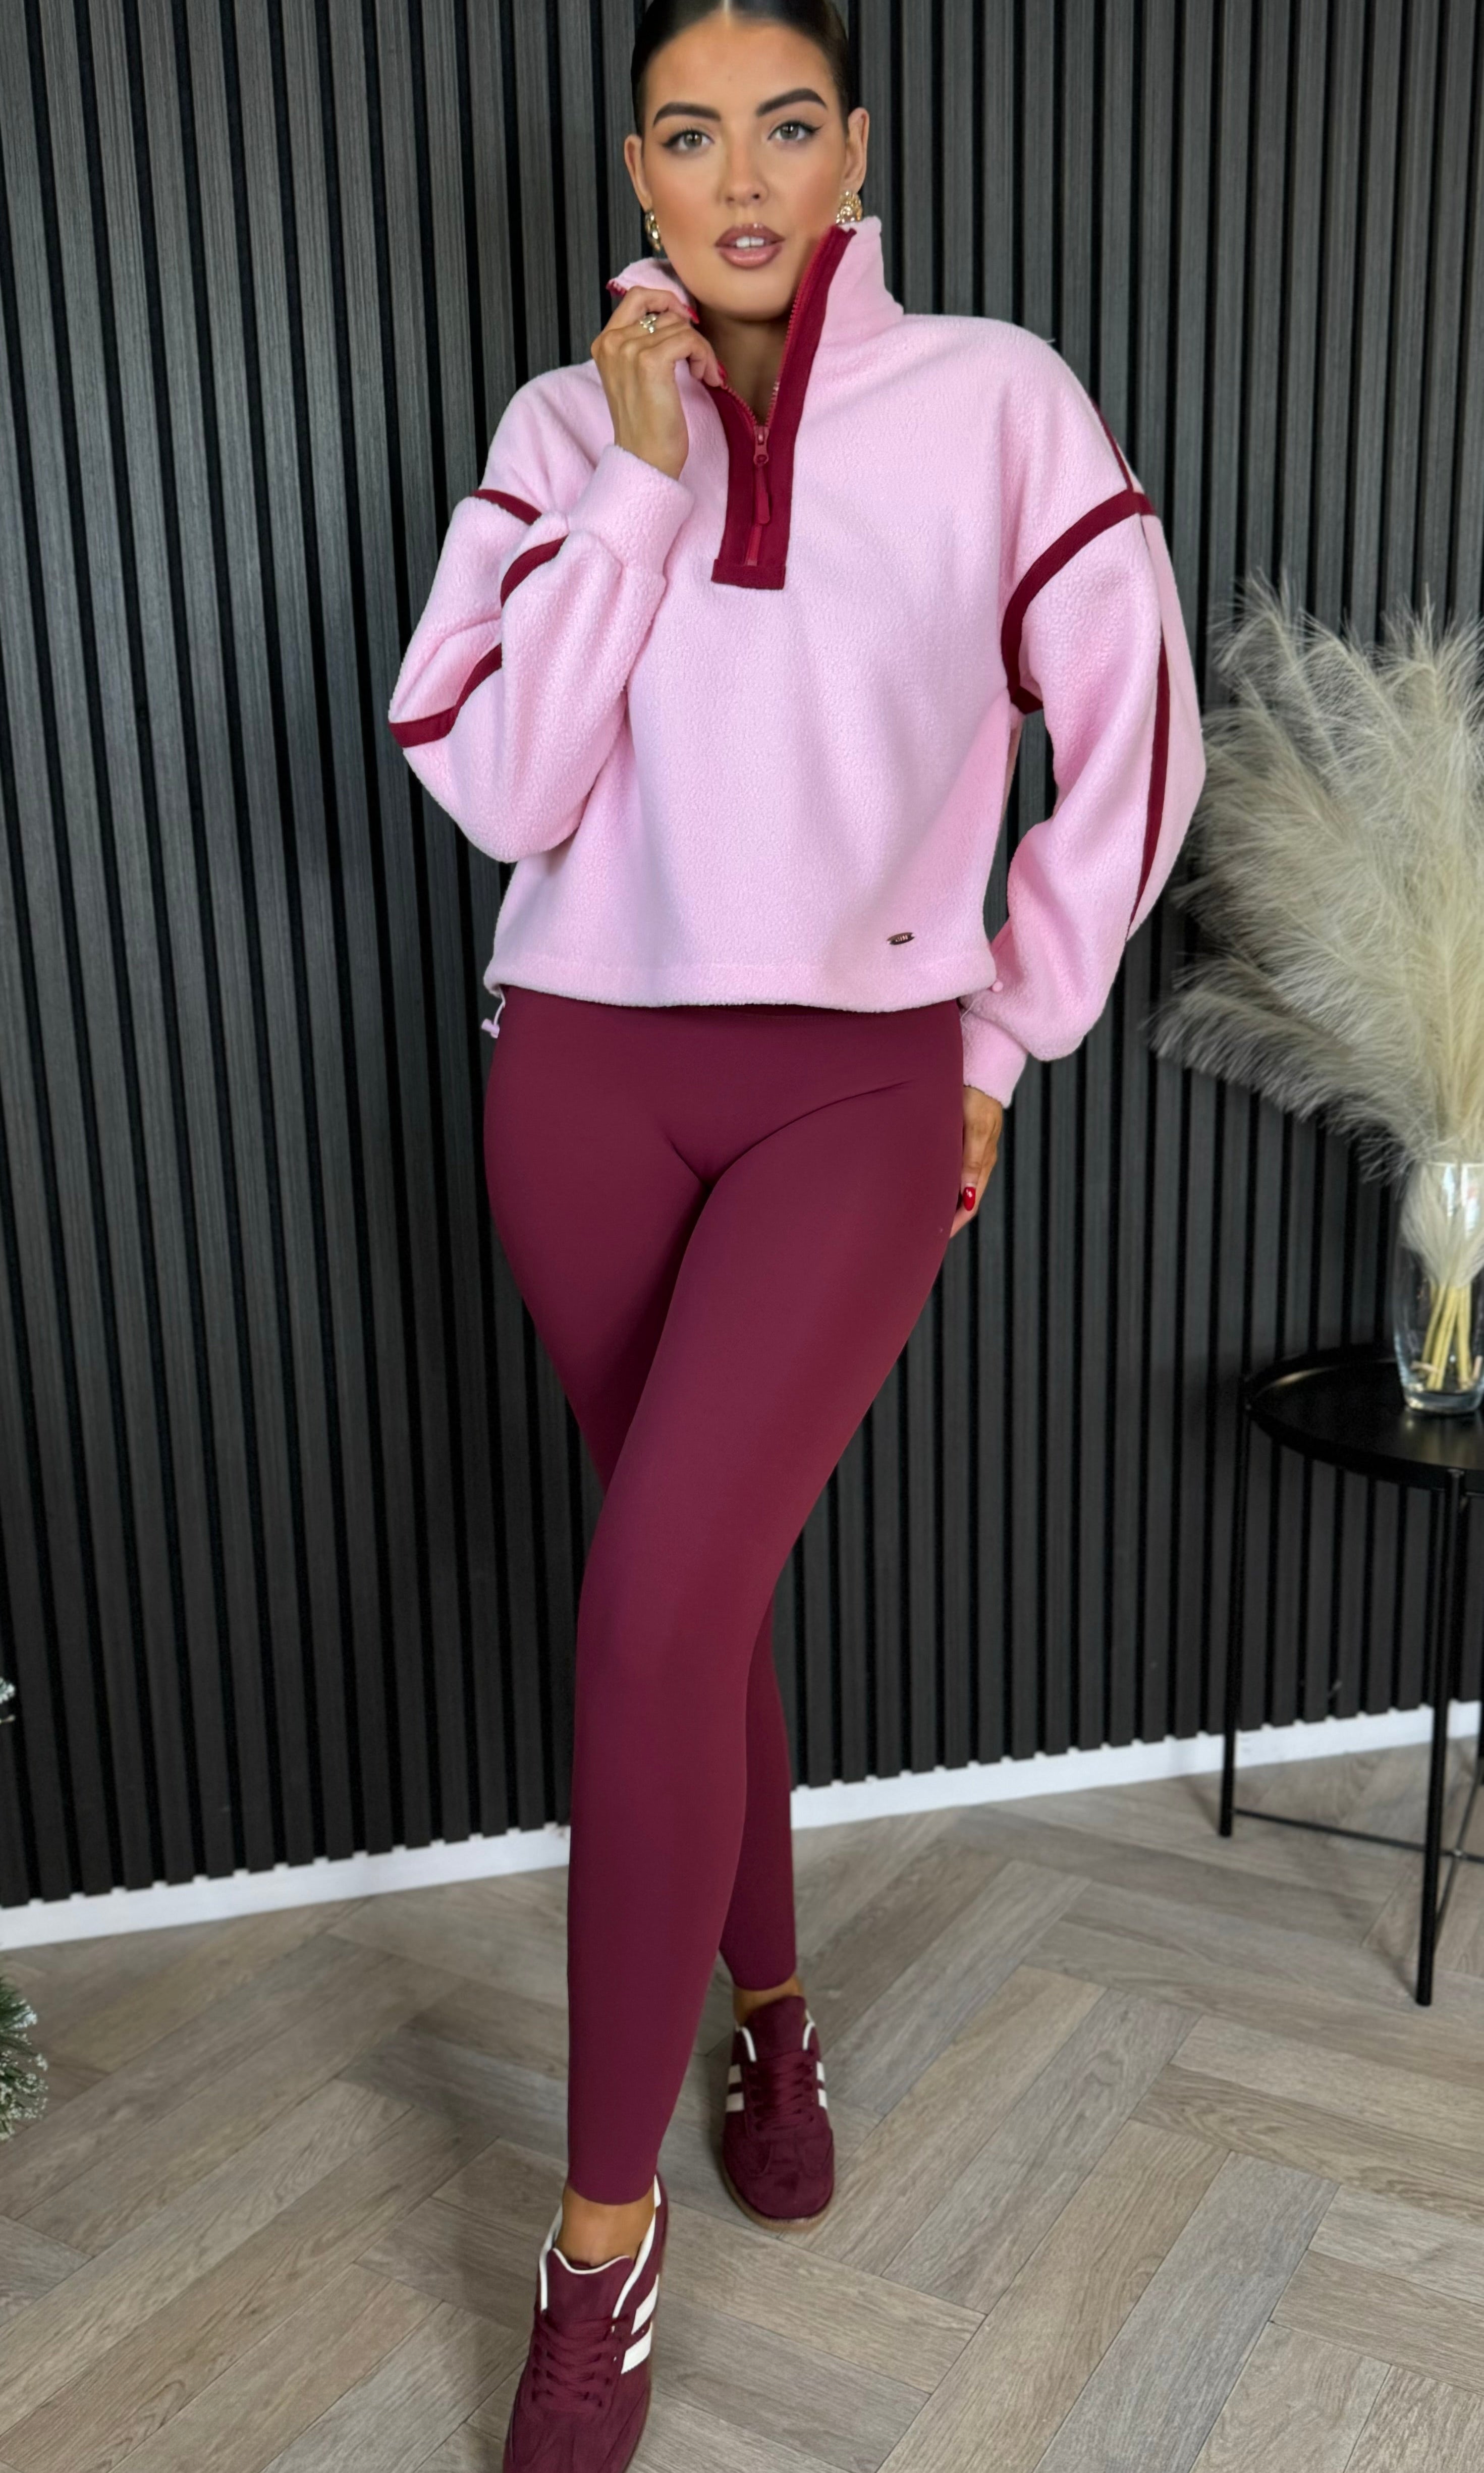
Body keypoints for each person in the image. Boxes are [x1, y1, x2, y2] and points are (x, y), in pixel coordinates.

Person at [387, 2, 1205, 2463]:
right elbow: (503, 780)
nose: (738, 174)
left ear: (856, 148)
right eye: (687, 131)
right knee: (692, 1593)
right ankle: (774, 2019)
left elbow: (1134, 730)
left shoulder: (994, 400)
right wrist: (639, 492)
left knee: (649, 1602)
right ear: (633, 170)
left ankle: (596, 2252)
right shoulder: (565, 425)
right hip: (584, 1080)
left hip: (860, 1087)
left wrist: (1005, 1030)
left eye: (783, 124)